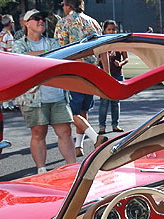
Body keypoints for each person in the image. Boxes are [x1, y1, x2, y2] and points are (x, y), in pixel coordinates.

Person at [13, 9, 76, 174]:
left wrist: (38, 57)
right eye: (36, 19)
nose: (41, 21)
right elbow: (21, 60)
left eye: (42, 19)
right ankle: (42, 170)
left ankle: (72, 168)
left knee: (66, 131)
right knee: (39, 133)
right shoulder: (20, 44)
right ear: (26, 23)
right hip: (33, 98)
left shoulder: (52, 42)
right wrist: (47, 56)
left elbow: (60, 58)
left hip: (57, 96)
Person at [54, 0, 105, 157]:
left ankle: (95, 137)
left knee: (71, 111)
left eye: (63, 4)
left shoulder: (64, 23)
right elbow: (103, 49)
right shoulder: (94, 22)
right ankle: (79, 145)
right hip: (90, 72)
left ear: (68, 5)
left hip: (72, 72)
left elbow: (59, 49)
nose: (62, 7)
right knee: (83, 110)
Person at [98, 20, 128, 134]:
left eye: (113, 29)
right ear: (104, 31)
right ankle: (102, 126)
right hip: (104, 76)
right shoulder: (101, 43)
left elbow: (126, 58)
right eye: (109, 29)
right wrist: (102, 59)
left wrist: (120, 63)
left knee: (116, 101)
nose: (111, 32)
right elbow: (95, 59)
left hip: (118, 75)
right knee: (104, 102)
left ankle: (115, 124)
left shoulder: (119, 43)